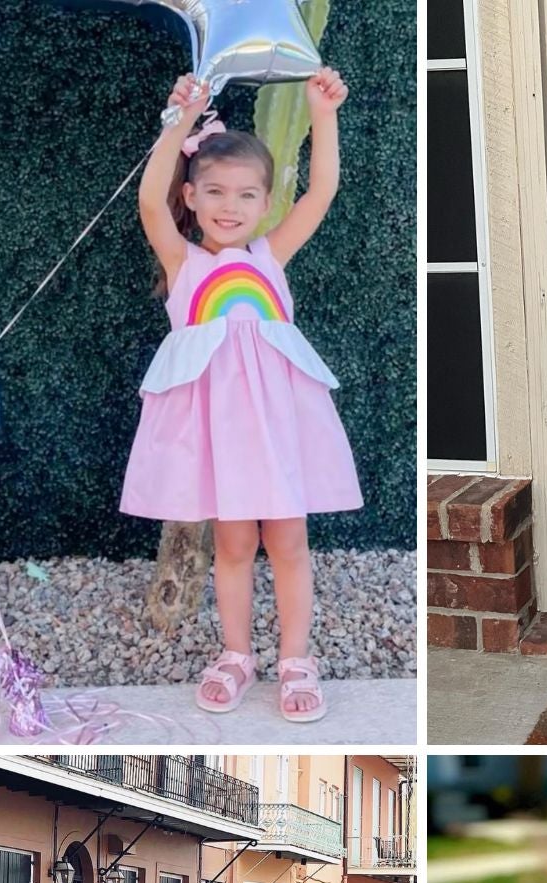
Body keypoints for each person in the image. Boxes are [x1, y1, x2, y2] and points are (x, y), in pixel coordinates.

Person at [122, 70, 360, 724]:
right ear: (192, 196)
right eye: (217, 191)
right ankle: (235, 655)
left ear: (264, 203)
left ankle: (294, 660)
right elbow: (148, 203)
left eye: (247, 194)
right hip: (220, 440)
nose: (231, 205)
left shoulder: (268, 258)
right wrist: (180, 121)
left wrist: (323, 112)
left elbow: (324, 190)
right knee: (232, 547)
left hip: (277, 434)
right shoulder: (184, 266)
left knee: (288, 543)